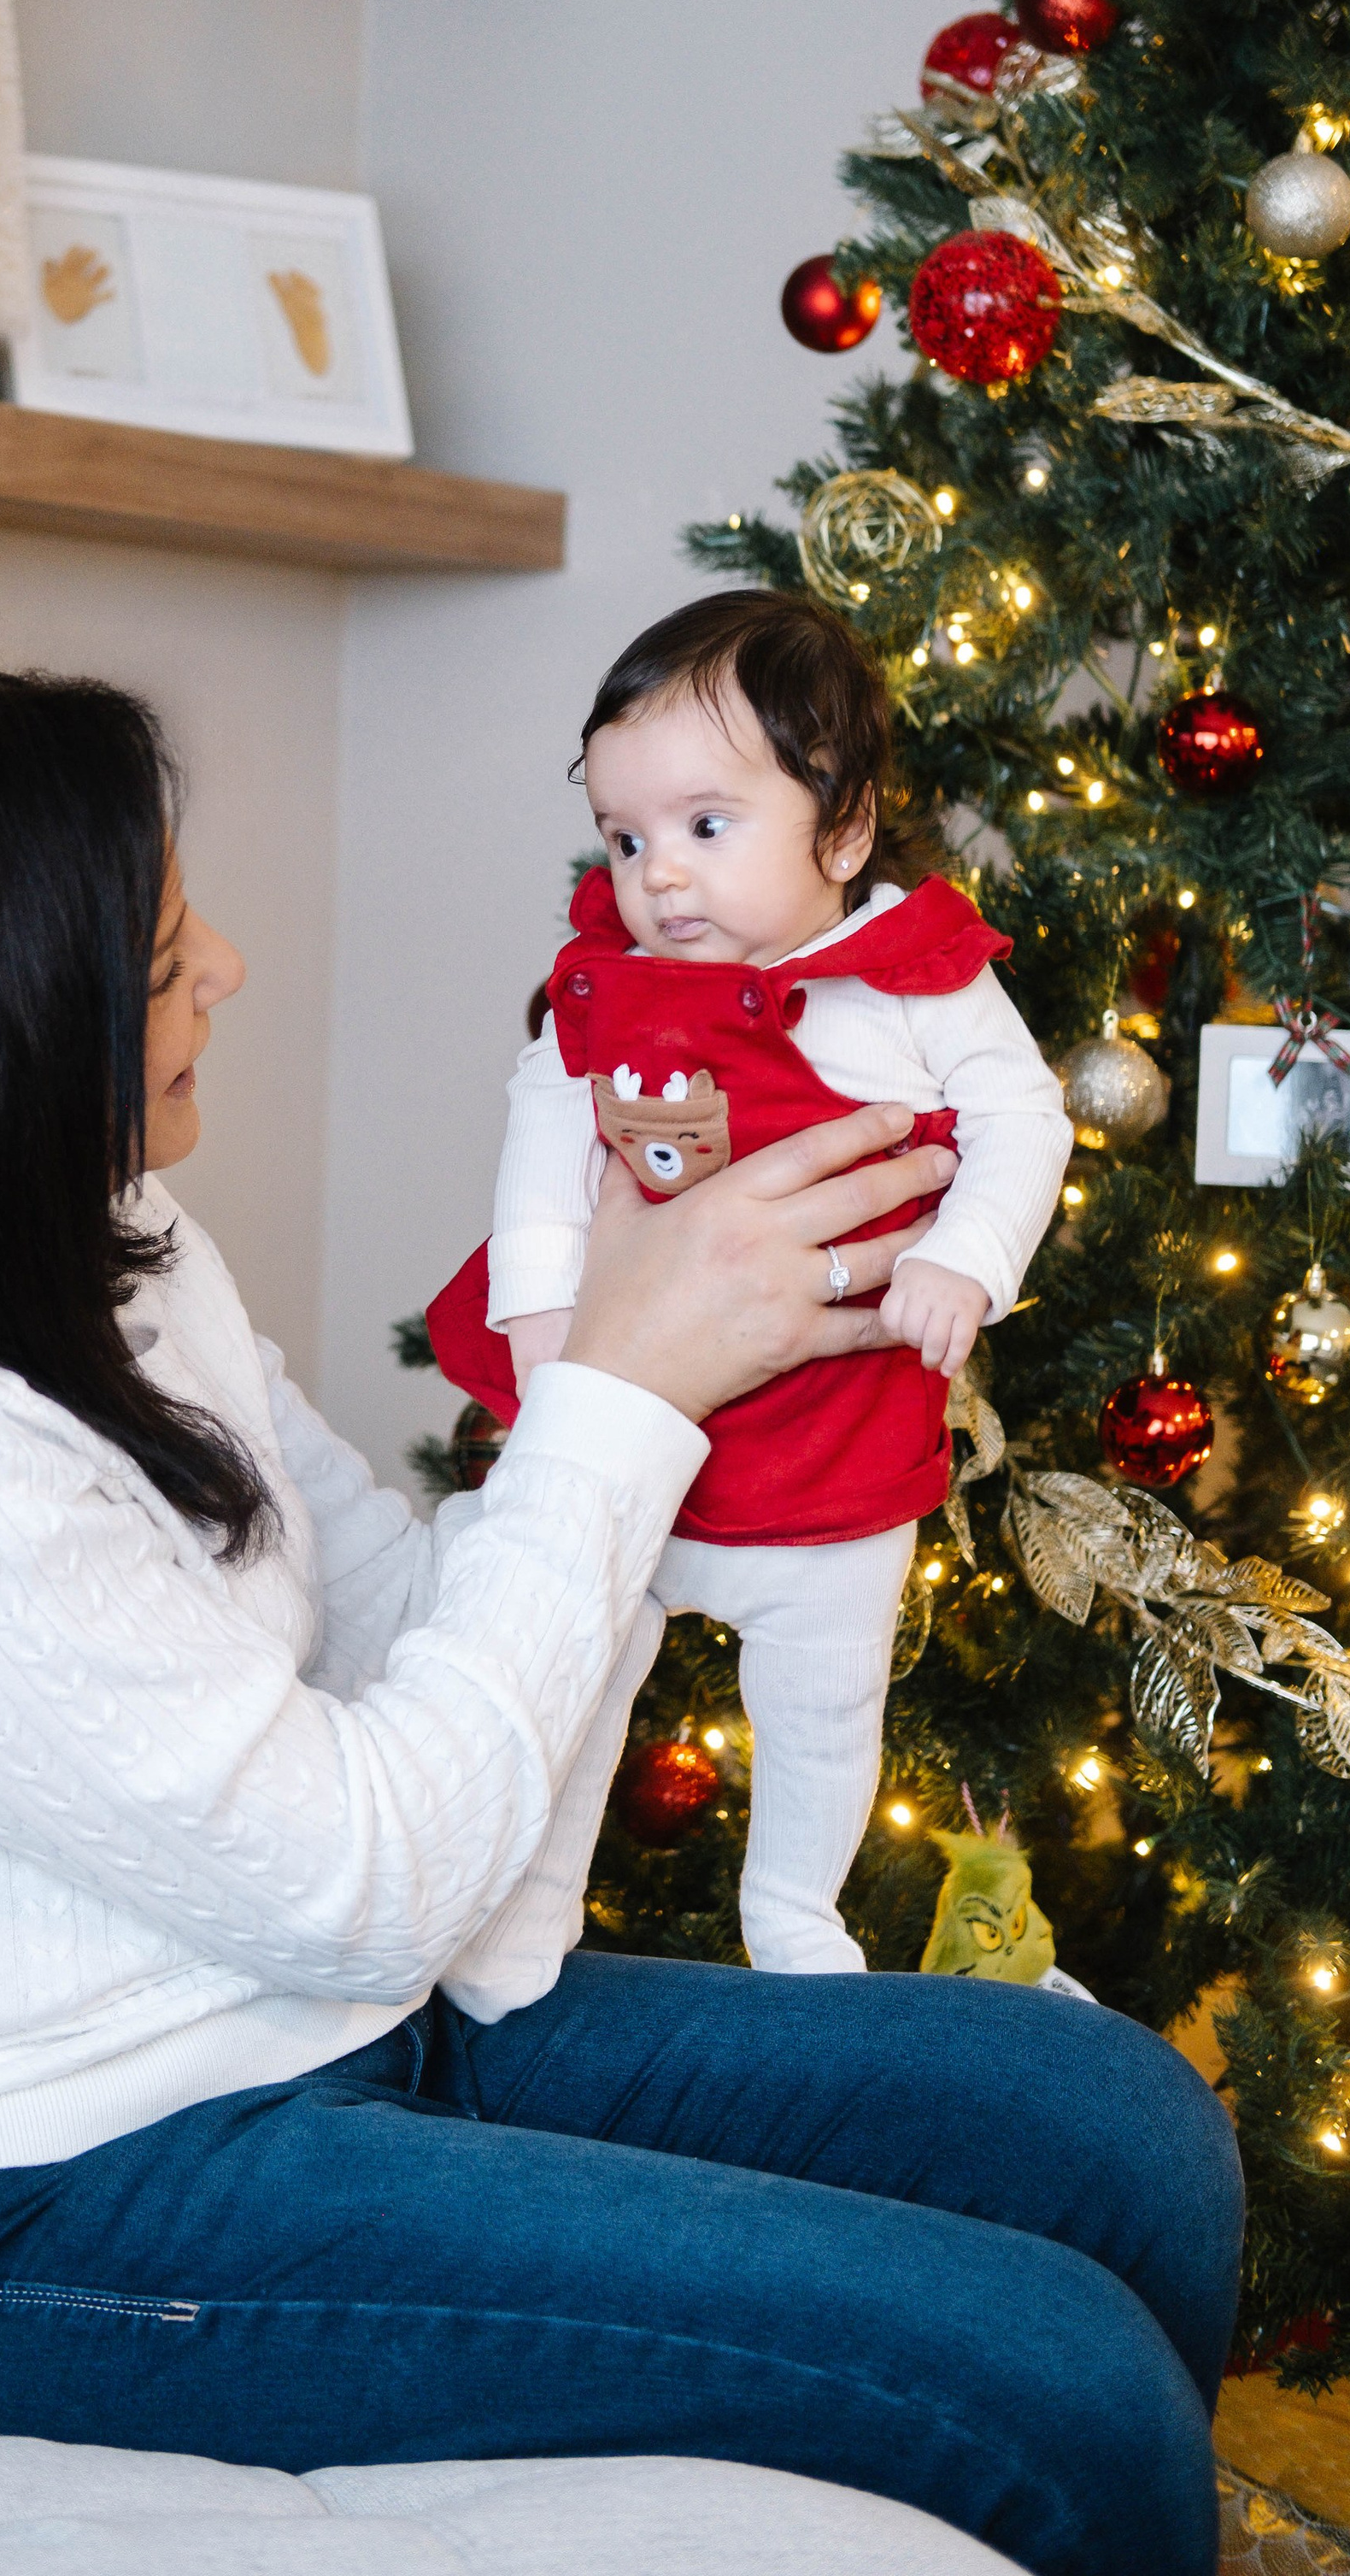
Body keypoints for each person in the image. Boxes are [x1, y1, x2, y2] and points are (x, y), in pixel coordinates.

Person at [0, 668, 1237, 2576]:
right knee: (1051, 2388)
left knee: (1111, 2125)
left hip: (290, 2012)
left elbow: (394, 1608)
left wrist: (724, 1421)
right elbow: (363, 1879)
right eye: (155, 956)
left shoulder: (101, 1254)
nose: (220, 966)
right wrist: (621, 1393)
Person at [427, 592, 1071, 1973]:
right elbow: (545, 1119)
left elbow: (1027, 1119)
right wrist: (542, 1310)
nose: (660, 876)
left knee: (827, 1700)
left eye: (706, 827)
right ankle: (525, 1909)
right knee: (579, 1674)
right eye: (626, 837)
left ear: (842, 829)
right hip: (646, 1427)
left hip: (832, 1439)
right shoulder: (611, 978)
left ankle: (794, 1912)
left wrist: (967, 1256)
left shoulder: (911, 976)